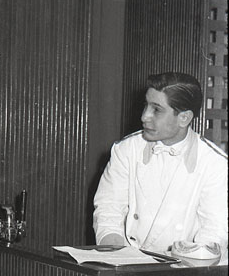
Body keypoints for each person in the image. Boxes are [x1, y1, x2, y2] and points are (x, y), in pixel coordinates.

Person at [93, 72, 228, 253]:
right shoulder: (126, 149)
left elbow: (214, 232)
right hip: (129, 258)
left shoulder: (215, 164)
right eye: (146, 105)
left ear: (184, 118)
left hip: (185, 265)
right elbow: (109, 210)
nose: (144, 116)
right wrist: (116, 255)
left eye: (156, 109)